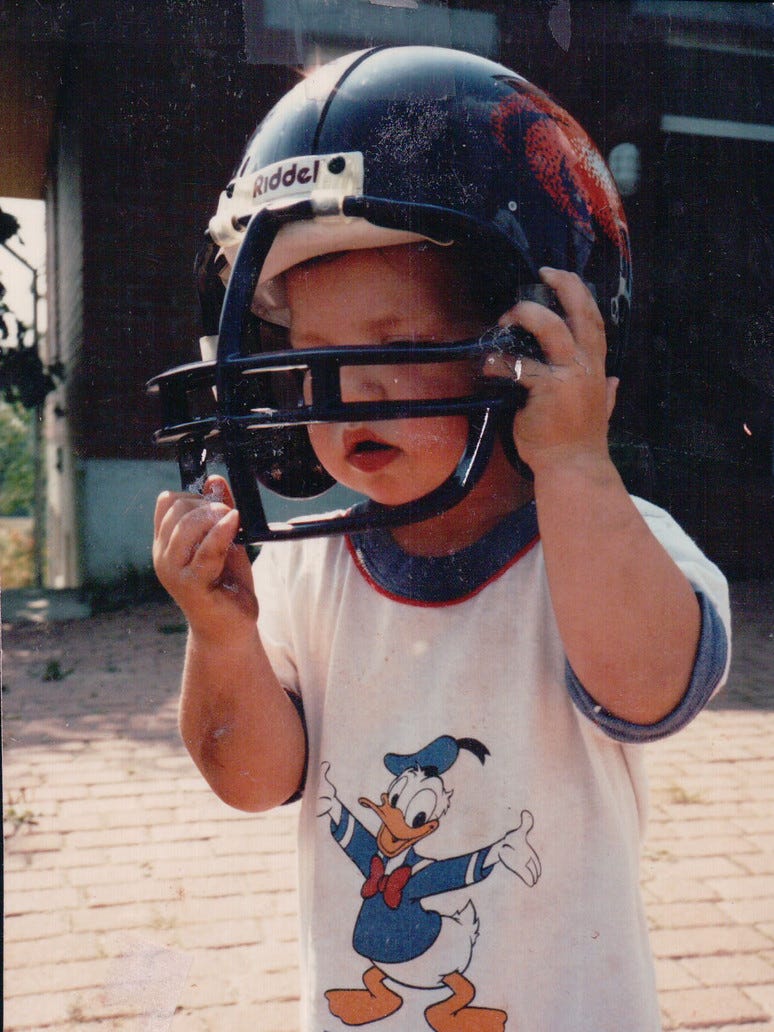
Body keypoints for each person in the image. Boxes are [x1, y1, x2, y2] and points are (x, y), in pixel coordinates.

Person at [152, 46, 730, 1032]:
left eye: (396, 346)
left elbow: (648, 691)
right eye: (316, 355)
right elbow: (252, 781)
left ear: (530, 344)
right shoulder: (308, 563)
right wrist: (222, 638)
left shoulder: (603, 543)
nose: (349, 389)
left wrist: (576, 464)